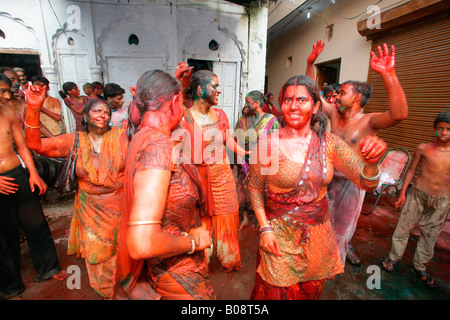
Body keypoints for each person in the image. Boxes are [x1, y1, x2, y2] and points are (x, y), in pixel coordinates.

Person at [248, 75, 387, 300]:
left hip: (317, 237)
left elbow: (365, 181)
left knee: (310, 292)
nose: (293, 106)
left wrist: (371, 165)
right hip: (279, 237)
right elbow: (254, 189)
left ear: (316, 107)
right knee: (278, 292)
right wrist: (264, 228)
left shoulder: (329, 144)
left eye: (301, 100)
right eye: (287, 100)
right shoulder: (268, 144)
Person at [114, 70, 214, 300]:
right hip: (176, 274)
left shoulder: (139, 135)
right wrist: (191, 243)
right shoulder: (158, 145)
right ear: (173, 101)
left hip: (165, 269)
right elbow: (143, 243)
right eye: (181, 101)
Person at [307, 41, 408, 266]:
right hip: (327, 179)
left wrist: (388, 74)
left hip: (352, 186)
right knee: (319, 226)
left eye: (342, 92)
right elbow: (315, 94)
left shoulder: (368, 121)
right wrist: (310, 63)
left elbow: (399, 114)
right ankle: (316, 264)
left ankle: (333, 267)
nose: (335, 97)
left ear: (355, 98)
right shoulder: (334, 113)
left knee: (341, 233)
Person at [25, 86, 128, 299]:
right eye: (97, 111)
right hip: (91, 209)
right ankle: (107, 288)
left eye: (106, 112)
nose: (103, 115)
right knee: (99, 249)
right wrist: (34, 108)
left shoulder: (121, 138)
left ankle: (125, 280)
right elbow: (34, 144)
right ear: (85, 115)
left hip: (121, 204)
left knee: (123, 248)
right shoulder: (75, 140)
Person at [0, 75, 66, 300]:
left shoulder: (7, 112)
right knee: (4, 235)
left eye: (8, 90)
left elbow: (22, 146)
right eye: (1, 91)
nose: (7, 96)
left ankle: (48, 269)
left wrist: (33, 173)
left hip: (17, 174)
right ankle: (11, 285)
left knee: (36, 223)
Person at [176, 68, 248, 272]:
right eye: (214, 86)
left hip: (223, 177)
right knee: (201, 223)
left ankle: (229, 259)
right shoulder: (185, 117)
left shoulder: (221, 114)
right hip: (198, 180)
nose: (219, 91)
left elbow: (227, 138)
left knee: (227, 219)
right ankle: (202, 262)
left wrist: (244, 153)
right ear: (200, 90)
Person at [381, 110, 450, 287]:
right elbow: (411, 170)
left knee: (431, 233)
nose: (443, 133)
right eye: (440, 129)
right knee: (404, 227)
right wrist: (402, 193)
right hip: (417, 194)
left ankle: (420, 266)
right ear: (434, 129)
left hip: (442, 200)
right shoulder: (423, 148)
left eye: (448, 129)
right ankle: (393, 257)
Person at [234, 90, 281, 229]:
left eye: (248, 102)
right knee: (243, 191)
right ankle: (245, 219)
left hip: (264, 162)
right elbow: (235, 139)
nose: (246, 105)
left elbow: (276, 142)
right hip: (245, 162)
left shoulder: (271, 120)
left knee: (262, 192)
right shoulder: (243, 120)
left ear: (258, 104)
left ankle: (262, 222)